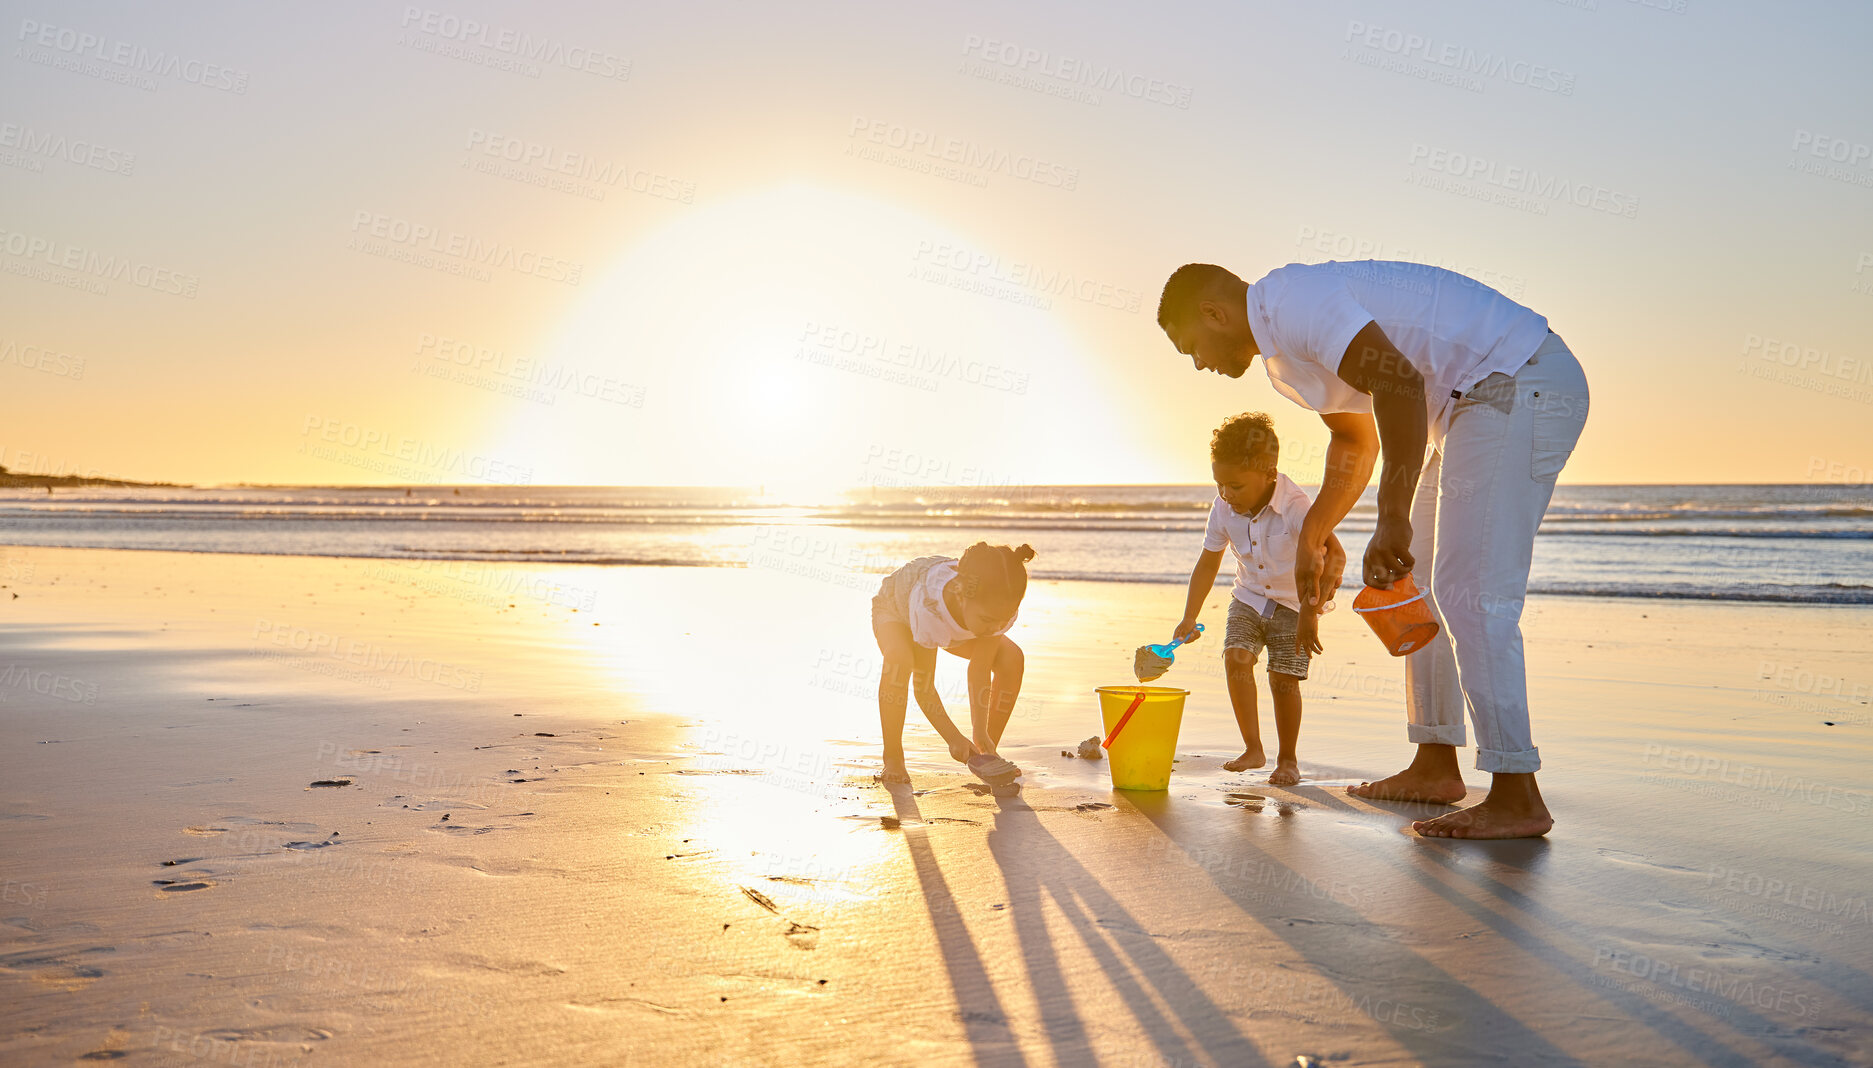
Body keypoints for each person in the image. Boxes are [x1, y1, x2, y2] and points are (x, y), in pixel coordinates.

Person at [1157, 259, 1590, 839]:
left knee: (1471, 597)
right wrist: (1314, 535)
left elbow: (1398, 382)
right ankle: (1436, 764)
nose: (1199, 365)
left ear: (1214, 313)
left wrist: (1392, 517)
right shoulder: (1281, 357)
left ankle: (1516, 791)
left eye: (1192, 348)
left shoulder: (1291, 303)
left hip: (1515, 379)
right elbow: (1352, 437)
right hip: (1465, 409)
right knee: (1423, 589)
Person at [1170, 412, 1345, 785]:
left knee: (1283, 679)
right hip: (1248, 596)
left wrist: (1310, 614)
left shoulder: (1297, 507)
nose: (1226, 495)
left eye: (1234, 486)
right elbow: (1208, 562)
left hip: (1294, 603)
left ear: (1269, 474)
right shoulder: (1222, 508)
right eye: (1220, 485)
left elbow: (1331, 559)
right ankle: (1253, 748)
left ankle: (1287, 759)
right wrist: (1189, 616)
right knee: (1236, 658)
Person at [871, 543, 1034, 787]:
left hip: (955, 621)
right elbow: (924, 688)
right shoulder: (930, 608)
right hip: (896, 609)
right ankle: (893, 756)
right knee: (900, 659)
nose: (995, 627)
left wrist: (979, 730)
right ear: (962, 597)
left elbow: (979, 668)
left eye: (1002, 620)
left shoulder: (996, 608)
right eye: (989, 620)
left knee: (1012, 657)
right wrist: (953, 737)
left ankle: (986, 754)